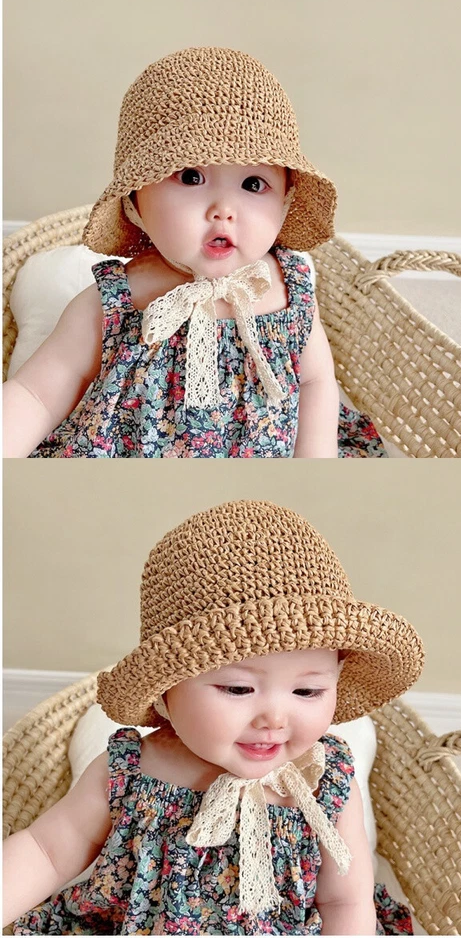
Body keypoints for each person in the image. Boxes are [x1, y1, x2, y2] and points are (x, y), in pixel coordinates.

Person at [2, 500, 423, 934]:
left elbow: (344, 902)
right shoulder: (132, 769)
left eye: (307, 691)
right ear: (167, 691)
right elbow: (46, 851)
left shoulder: (324, 782)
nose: (274, 718)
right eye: (238, 689)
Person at [2, 47, 384, 458]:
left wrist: (312, 470)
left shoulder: (290, 290)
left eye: (253, 184)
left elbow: (315, 382)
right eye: (191, 176)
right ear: (134, 203)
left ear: (286, 202)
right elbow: (36, 395)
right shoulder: (116, 302)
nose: (224, 209)